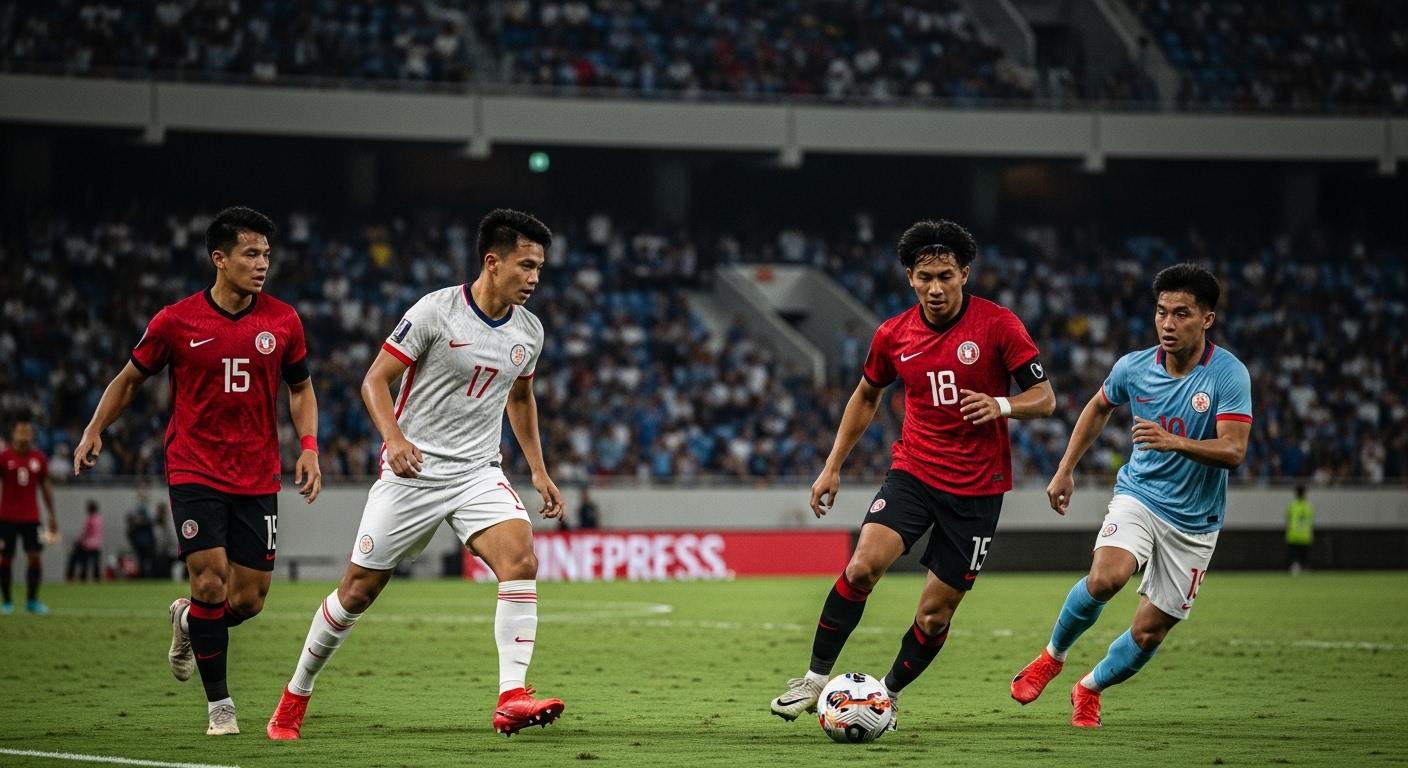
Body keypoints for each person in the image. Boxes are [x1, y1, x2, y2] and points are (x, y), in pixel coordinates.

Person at [266, 208, 567, 740]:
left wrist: (539, 471)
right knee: (357, 591)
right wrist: (395, 440)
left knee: (521, 559)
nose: (534, 278)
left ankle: (511, 697)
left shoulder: (530, 331)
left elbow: (520, 396)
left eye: (540, 267)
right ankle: (295, 696)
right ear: (492, 262)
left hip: (478, 471)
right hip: (414, 471)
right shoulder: (435, 311)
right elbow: (374, 382)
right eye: (526, 265)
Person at [768, 219, 1055, 727]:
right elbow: (866, 396)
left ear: (965, 273)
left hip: (978, 492)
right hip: (915, 473)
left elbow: (1045, 398)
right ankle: (813, 681)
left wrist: (1002, 405)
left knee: (934, 615)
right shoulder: (893, 334)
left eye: (946, 275)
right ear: (910, 278)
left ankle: (887, 695)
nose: (936, 287)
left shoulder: (998, 325)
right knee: (861, 567)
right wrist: (832, 466)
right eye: (925, 277)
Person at [73, 206, 322, 736]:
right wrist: (96, 428)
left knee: (248, 599)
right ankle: (220, 709)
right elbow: (130, 379)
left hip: (257, 474)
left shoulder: (283, 320)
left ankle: (190, 621)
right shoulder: (176, 321)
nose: (262, 264)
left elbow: (300, 388)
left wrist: (309, 447)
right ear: (220, 258)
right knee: (209, 581)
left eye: (266, 255)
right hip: (195, 468)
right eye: (251, 254)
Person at [1010, 263, 1252, 728]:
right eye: (1162, 312)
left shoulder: (1228, 375)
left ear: (1207, 319)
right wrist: (1065, 469)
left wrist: (1175, 441)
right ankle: (1051, 656)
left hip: (1196, 522)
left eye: (1181, 314)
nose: (1167, 323)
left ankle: (1089, 687)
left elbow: (1234, 451)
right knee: (1106, 577)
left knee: (1149, 631)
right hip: (1139, 496)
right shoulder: (1133, 367)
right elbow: (1099, 407)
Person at [1, 418, 60, 614]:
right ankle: (7, 601)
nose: (24, 436)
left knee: (34, 558)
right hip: (6, 517)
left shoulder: (39, 458)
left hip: (31, 517)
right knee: (5, 558)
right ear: (13, 434)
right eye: (21, 432)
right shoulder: (4, 457)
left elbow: (45, 488)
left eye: (27, 432)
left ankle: (32, 601)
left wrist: (51, 514)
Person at [67, 500, 104, 582]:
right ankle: (97, 578)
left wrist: (78, 541)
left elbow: (86, 533)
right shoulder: (99, 519)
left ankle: (81, 577)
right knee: (96, 563)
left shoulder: (89, 519)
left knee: (84, 562)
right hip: (97, 544)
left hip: (88, 544)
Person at [1286, 485, 1313, 574]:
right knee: (1304, 555)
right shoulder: (1308, 506)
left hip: (1294, 534)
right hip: (1305, 535)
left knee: (1294, 555)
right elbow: (1310, 521)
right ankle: (1304, 568)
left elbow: (1288, 519)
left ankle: (1295, 567)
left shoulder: (1293, 506)